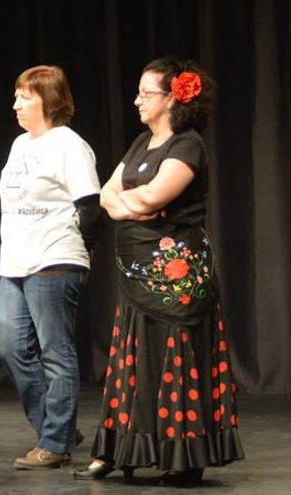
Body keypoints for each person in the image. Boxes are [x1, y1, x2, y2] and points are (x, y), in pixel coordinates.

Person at [74, 58, 244, 485]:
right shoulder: (140, 144)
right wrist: (130, 204)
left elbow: (151, 197)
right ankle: (122, 449)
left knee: (172, 354)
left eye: (145, 94)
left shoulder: (187, 146)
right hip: (137, 272)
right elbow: (109, 195)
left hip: (176, 278)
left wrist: (134, 204)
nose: (136, 100)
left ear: (172, 99)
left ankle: (181, 456)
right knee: (135, 356)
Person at [0, 65, 101, 470]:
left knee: (55, 351)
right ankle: (57, 426)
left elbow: (90, 206)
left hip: (55, 258)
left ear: (48, 101)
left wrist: (81, 250)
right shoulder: (20, 144)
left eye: (25, 96)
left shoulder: (68, 144)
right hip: (15, 261)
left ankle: (55, 443)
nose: (16, 103)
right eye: (16, 95)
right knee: (9, 346)